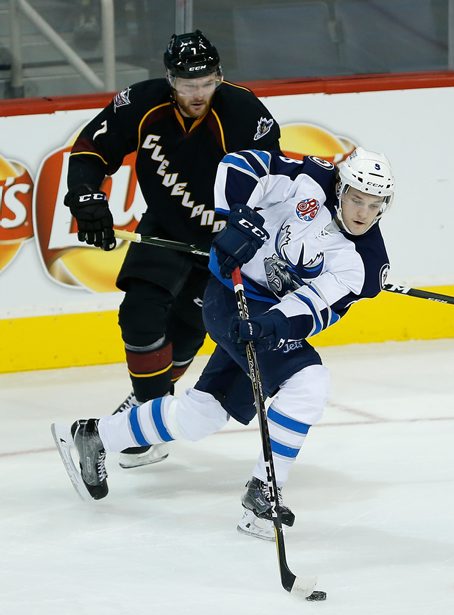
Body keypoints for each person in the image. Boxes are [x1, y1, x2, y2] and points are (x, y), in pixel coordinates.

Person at [53, 146, 395, 540]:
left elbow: (318, 306)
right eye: (356, 199)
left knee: (203, 415)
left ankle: (95, 435)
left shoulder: (366, 262)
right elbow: (242, 164)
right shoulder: (309, 178)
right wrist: (239, 217)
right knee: (308, 382)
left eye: (374, 204)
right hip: (230, 294)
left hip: (262, 319)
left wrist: (273, 323)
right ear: (341, 188)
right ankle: (265, 493)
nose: (363, 213)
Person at [63, 30, 281, 469]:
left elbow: (273, 187)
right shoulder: (142, 104)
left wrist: (252, 237)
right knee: (139, 315)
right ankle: (148, 423)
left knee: (186, 332)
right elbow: (90, 150)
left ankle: (147, 415)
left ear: (219, 76)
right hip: (164, 228)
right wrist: (87, 198)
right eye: (187, 84)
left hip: (223, 241)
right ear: (170, 80)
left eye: (206, 82)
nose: (197, 93)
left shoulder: (243, 112)